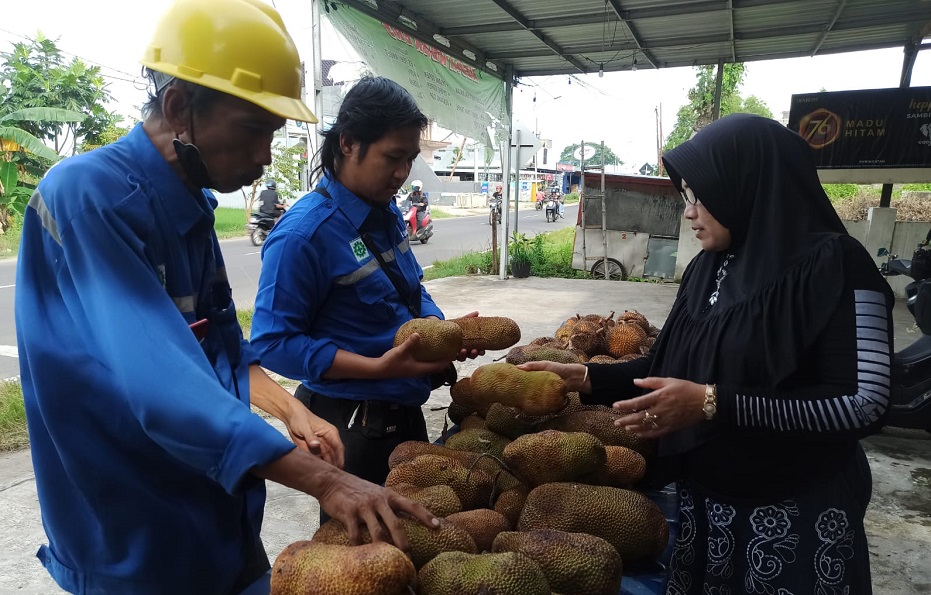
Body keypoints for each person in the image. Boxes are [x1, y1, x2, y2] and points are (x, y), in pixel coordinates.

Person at [13, 2, 436, 594]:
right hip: (133, 533)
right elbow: (162, 384)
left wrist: (294, 412)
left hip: (219, 512)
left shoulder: (192, 204)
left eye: (274, 133)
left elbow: (223, 358)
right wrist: (326, 482)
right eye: (252, 129)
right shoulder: (89, 197)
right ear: (179, 108)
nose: (265, 155)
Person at [521, 114, 892, 594]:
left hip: (795, 509)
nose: (690, 211)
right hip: (706, 506)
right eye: (686, 196)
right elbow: (668, 367)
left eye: (701, 196)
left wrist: (713, 403)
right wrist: (584, 378)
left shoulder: (838, 265)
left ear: (748, 186)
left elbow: (865, 402)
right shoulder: (705, 269)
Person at [249, 76, 482, 509]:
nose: (402, 174)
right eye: (393, 158)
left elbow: (410, 288)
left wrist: (437, 330)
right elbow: (273, 345)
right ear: (349, 143)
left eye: (410, 159)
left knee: (414, 545)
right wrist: (379, 367)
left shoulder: (386, 212)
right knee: (360, 563)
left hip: (404, 416)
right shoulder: (303, 235)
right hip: (350, 427)